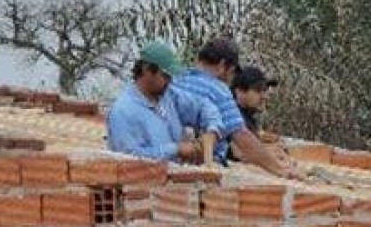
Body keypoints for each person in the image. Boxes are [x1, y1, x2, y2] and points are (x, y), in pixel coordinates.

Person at [170, 38, 300, 179]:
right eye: (231, 72)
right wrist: (280, 170)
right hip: (202, 168)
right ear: (222, 65)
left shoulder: (176, 80)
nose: (231, 79)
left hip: (171, 161)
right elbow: (242, 139)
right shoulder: (218, 90)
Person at [105, 41, 221, 163]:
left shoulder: (168, 95)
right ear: (147, 71)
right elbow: (128, 159)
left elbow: (204, 106)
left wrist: (212, 130)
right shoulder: (123, 112)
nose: (169, 81)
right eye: (165, 76)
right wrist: (175, 150)